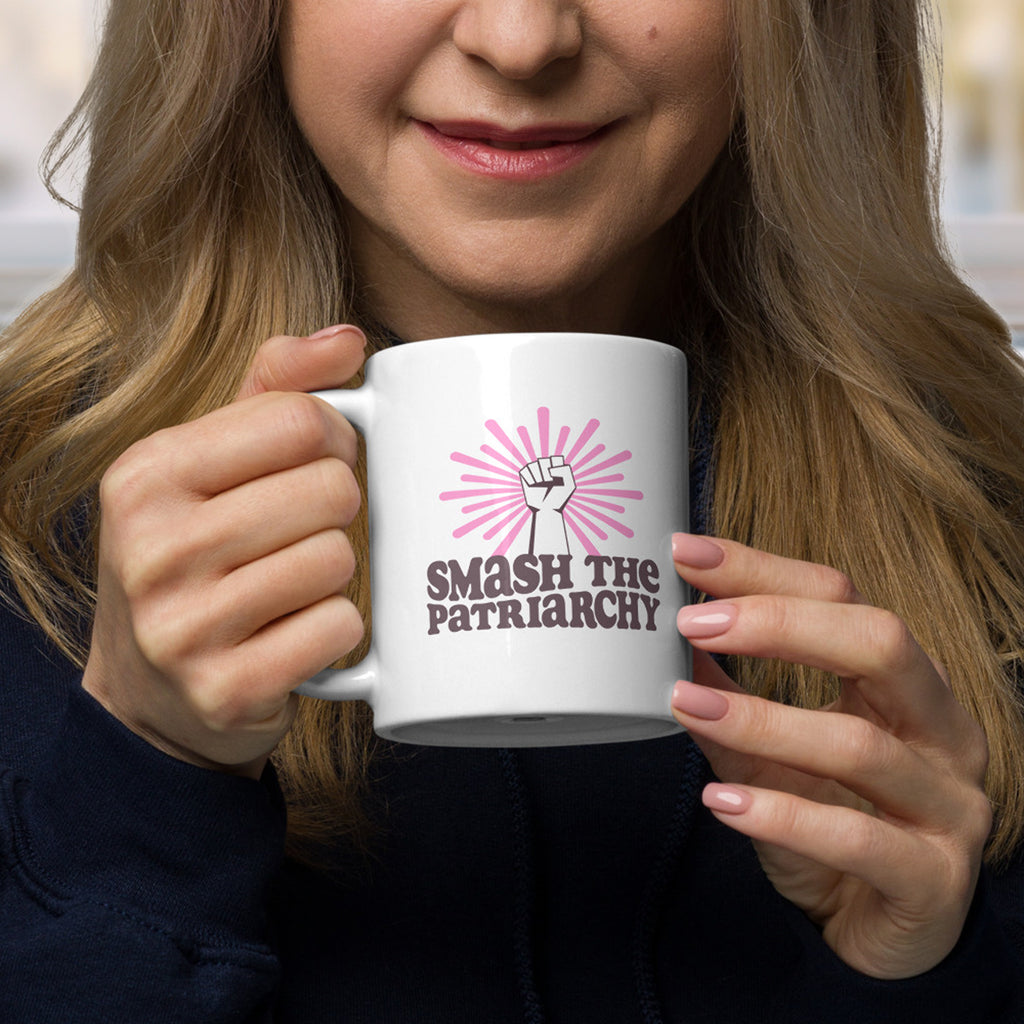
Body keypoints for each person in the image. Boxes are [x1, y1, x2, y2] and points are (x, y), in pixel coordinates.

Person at [2, 0, 1023, 1020]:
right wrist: (145, 783)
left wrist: (919, 972)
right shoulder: (25, 511)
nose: (522, 40)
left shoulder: (988, 515)